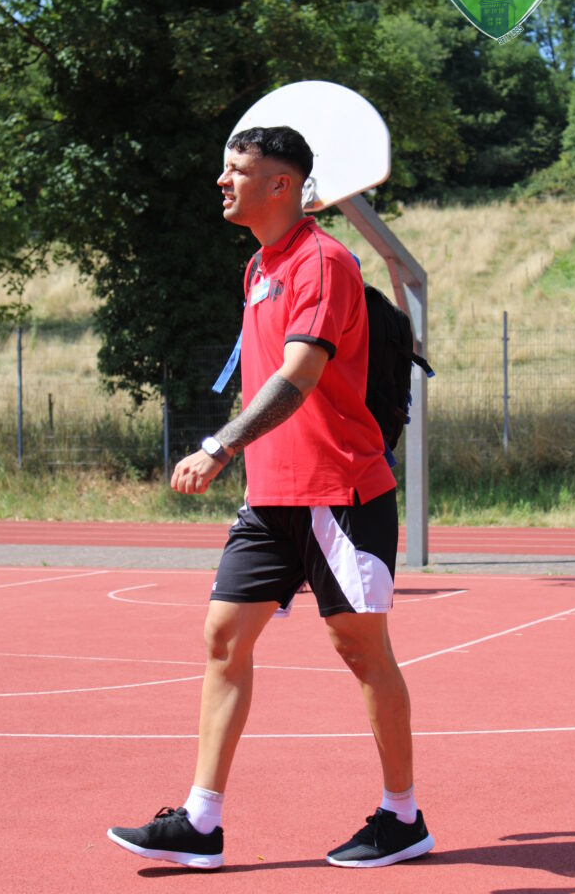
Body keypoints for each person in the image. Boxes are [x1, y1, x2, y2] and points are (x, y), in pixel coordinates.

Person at [107, 125, 434, 870]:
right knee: (224, 639)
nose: (222, 181)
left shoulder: (323, 261)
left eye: (236, 170)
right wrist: (245, 459)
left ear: (280, 184)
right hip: (271, 496)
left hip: (338, 493)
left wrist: (220, 445)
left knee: (361, 650)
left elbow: (298, 376)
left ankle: (402, 817)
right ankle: (200, 822)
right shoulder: (258, 266)